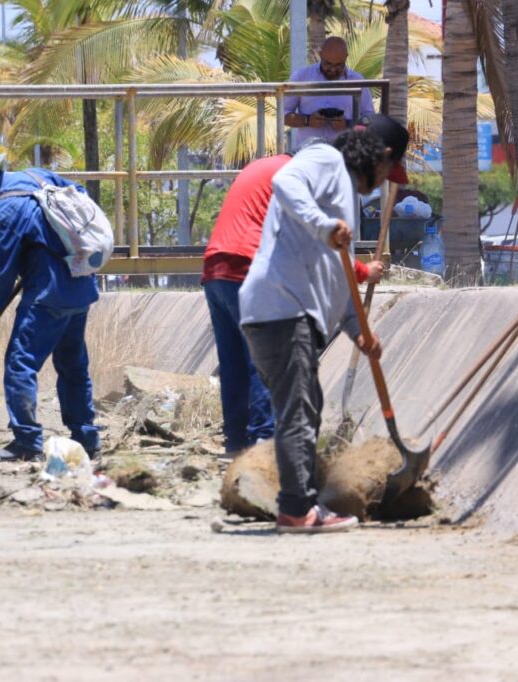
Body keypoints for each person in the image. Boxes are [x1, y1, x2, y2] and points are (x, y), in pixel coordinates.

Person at [239, 114, 409, 533]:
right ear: (382, 156)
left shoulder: (343, 196)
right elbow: (284, 183)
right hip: (282, 308)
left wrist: (360, 332)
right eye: (389, 171)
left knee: (305, 410)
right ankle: (297, 510)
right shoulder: (324, 158)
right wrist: (324, 225)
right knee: (298, 413)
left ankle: (302, 502)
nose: (385, 181)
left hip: (283, 312)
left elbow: (339, 279)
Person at [204, 154, 383, 457]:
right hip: (247, 269)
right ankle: (265, 449)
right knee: (264, 366)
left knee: (234, 366)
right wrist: (364, 271)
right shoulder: (297, 180)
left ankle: (235, 447)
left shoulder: (262, 168)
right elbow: (323, 248)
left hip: (215, 270)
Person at [0, 145, 100, 462]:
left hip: (49, 295)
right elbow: (82, 197)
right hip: (80, 284)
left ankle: (27, 442)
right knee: (73, 366)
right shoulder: (38, 176)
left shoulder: (5, 209)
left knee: (20, 364)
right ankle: (86, 438)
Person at [283, 36, 376, 151]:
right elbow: (284, 114)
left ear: (346, 58)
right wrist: (307, 121)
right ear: (320, 55)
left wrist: (347, 125)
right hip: (309, 154)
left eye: (338, 65)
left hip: (344, 154)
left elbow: (370, 118)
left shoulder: (357, 80)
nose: (332, 69)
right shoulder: (302, 77)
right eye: (327, 64)